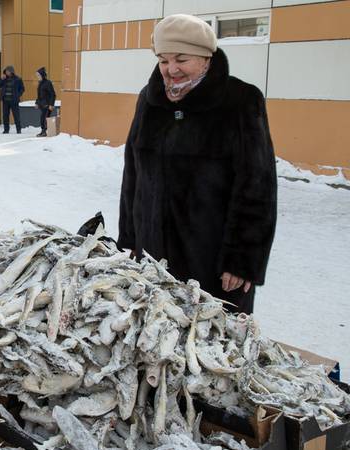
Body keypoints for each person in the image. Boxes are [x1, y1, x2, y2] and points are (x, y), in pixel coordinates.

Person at [117, 14, 276, 314]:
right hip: (152, 259)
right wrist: (130, 238)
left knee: (212, 346)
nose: (171, 69)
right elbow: (133, 174)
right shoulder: (149, 101)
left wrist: (242, 261)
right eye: (163, 60)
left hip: (213, 264)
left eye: (181, 59)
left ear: (206, 58)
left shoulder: (240, 101)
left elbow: (257, 186)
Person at [0, 66, 24, 134]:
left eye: (8, 71)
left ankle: (18, 129)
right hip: (5, 100)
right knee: (5, 116)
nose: (6, 72)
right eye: (6, 71)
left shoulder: (18, 79)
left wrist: (18, 95)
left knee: (16, 115)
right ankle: (6, 130)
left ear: (11, 72)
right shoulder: (4, 79)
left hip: (14, 100)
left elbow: (22, 89)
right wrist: (1, 79)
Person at [35, 67, 56, 137]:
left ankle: (44, 132)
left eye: (38, 75)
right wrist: (37, 103)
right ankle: (43, 131)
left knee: (44, 118)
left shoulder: (48, 83)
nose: (37, 77)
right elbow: (39, 95)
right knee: (42, 118)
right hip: (42, 104)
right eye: (37, 75)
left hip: (47, 105)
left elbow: (53, 94)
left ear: (42, 75)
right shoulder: (40, 83)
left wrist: (51, 105)